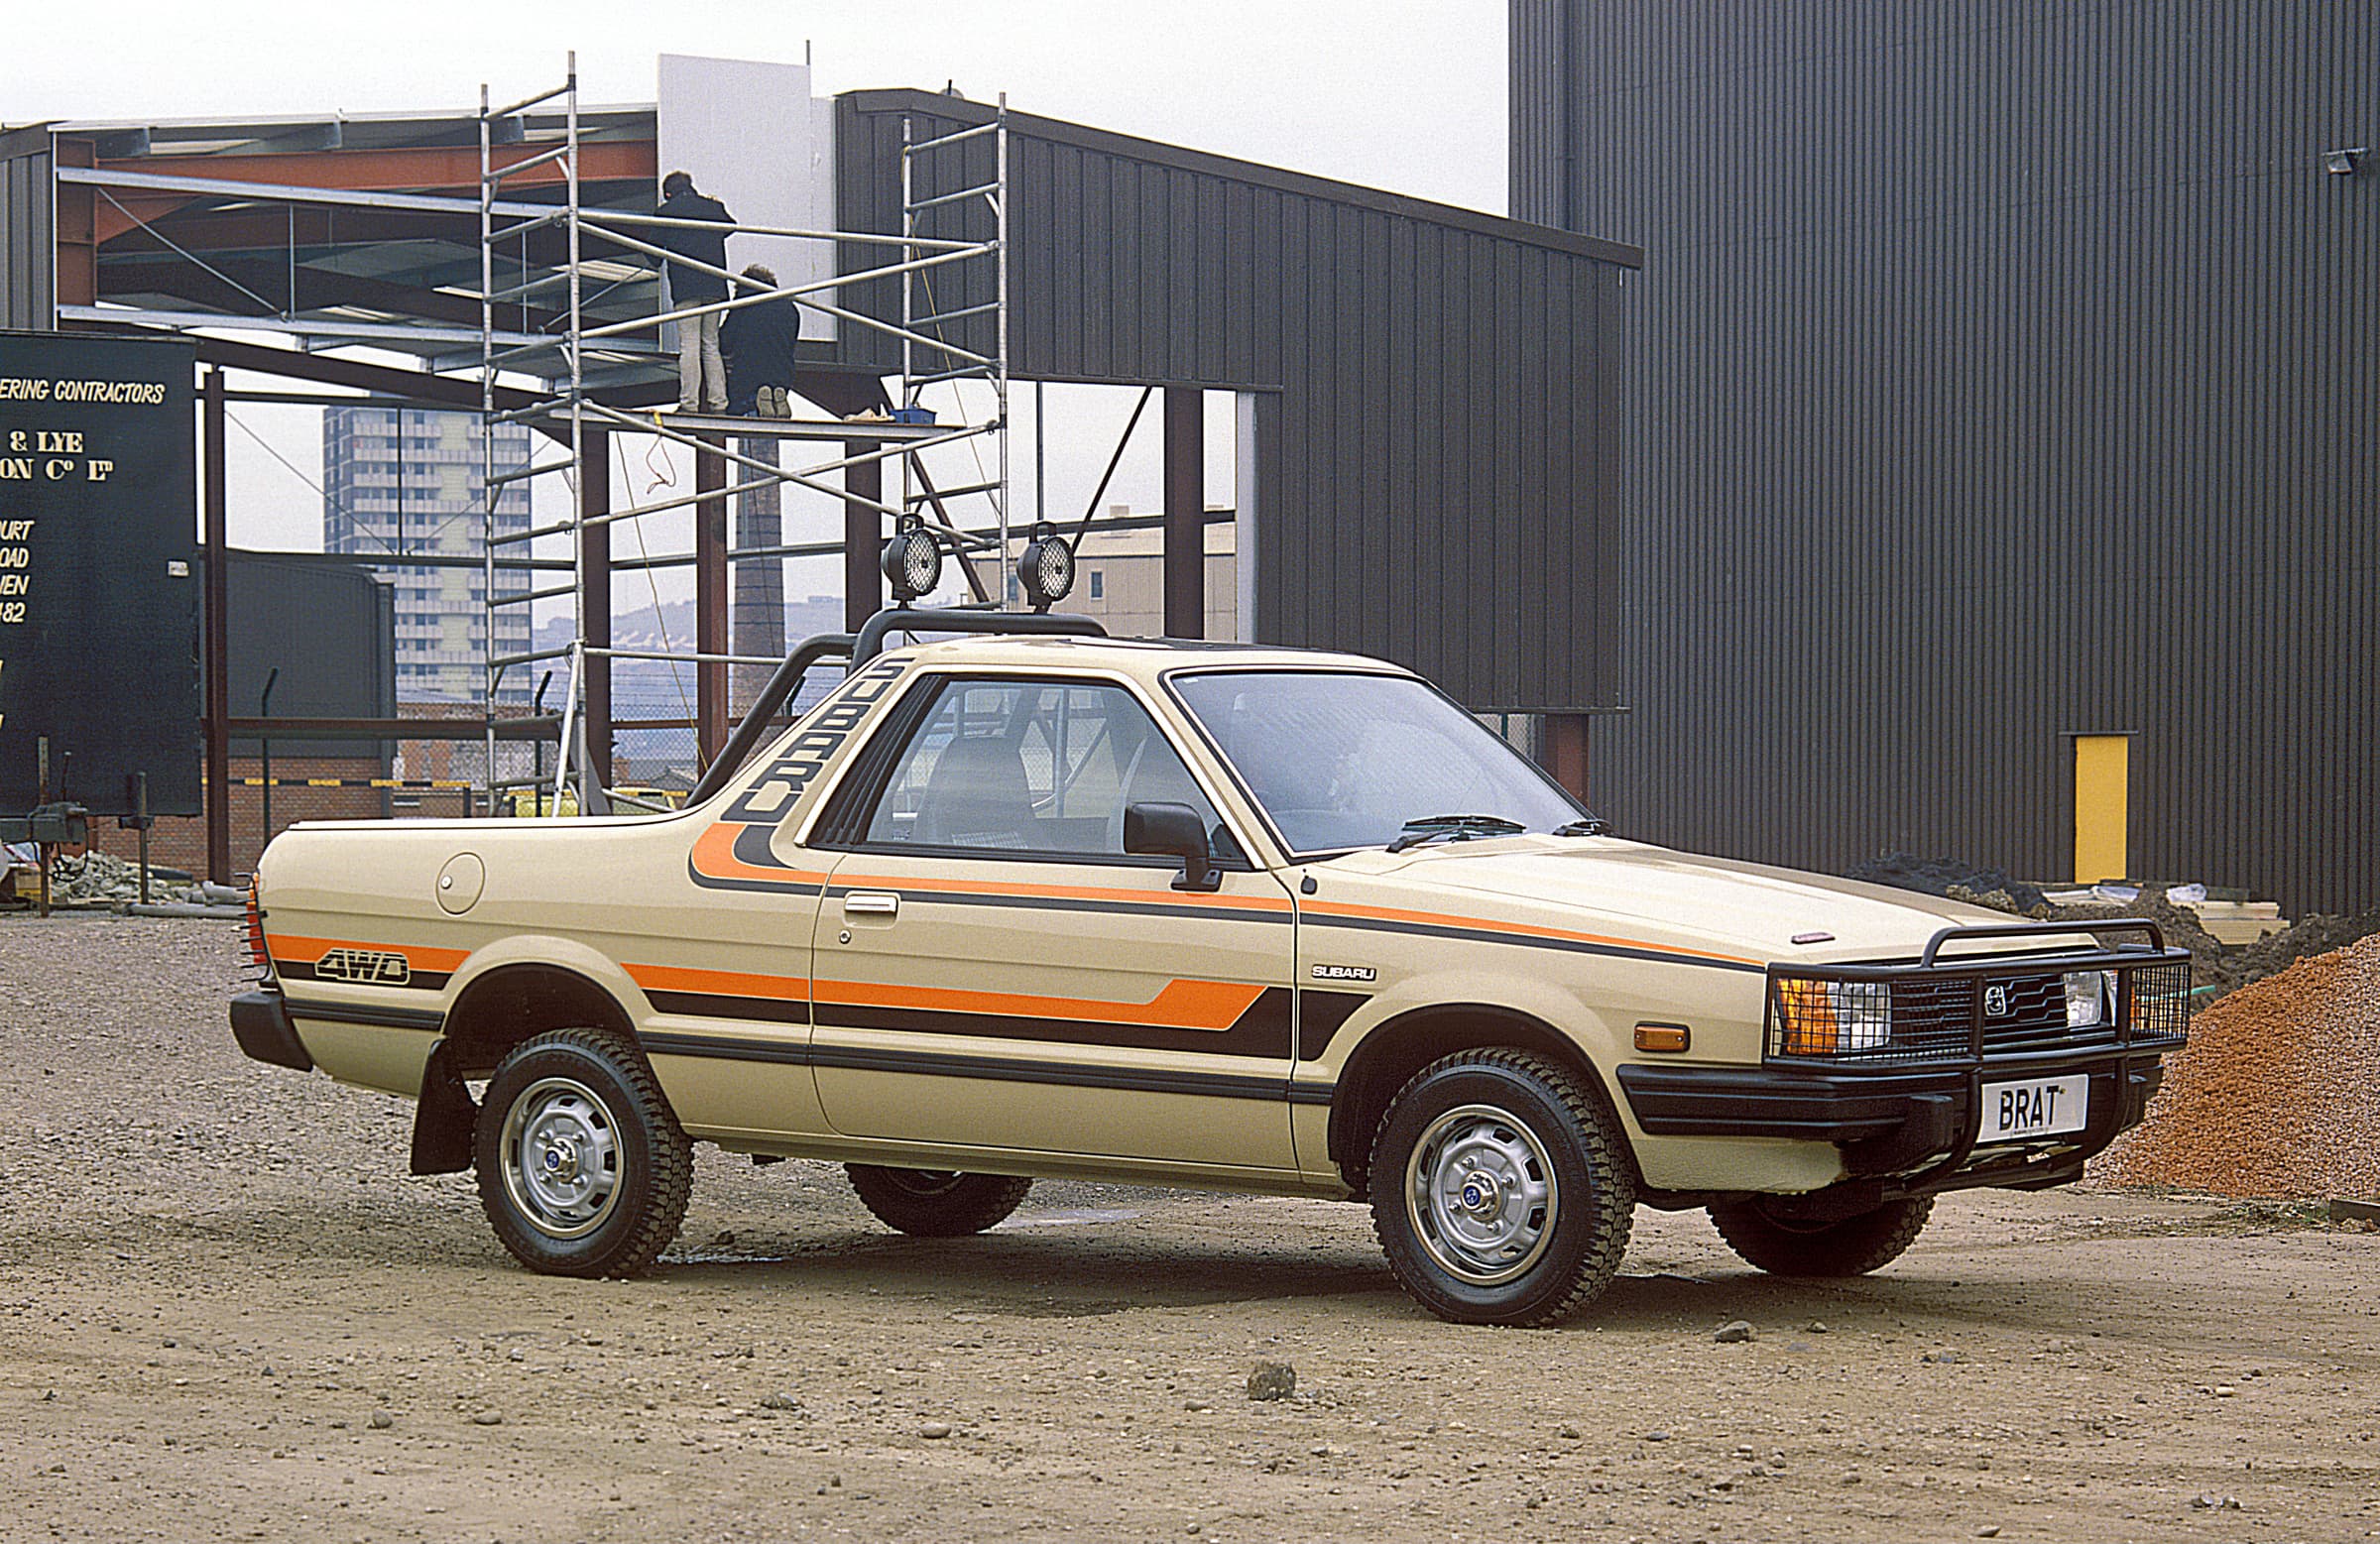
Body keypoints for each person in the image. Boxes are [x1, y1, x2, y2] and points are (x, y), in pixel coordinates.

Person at [654, 170, 734, 413]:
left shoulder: (666, 211)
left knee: (689, 345)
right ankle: (719, 402)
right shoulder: (712, 208)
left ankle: (689, 403)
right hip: (715, 286)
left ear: (668, 193)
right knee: (710, 344)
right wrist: (716, 204)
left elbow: (652, 255)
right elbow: (730, 226)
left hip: (686, 288)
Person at [719, 264, 802, 418]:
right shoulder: (790, 308)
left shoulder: (743, 305)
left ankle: (761, 402)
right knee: (771, 423)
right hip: (782, 374)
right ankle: (777, 399)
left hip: (749, 376)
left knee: (751, 419)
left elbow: (725, 341)